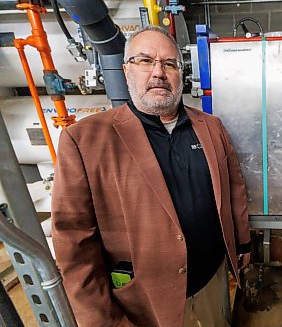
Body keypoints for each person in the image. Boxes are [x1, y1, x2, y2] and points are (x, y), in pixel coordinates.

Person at [51, 25, 251, 327]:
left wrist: (244, 245)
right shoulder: (85, 140)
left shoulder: (211, 126)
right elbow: (74, 245)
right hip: (146, 301)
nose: (158, 73)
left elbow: (235, 192)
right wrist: (101, 319)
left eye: (169, 63)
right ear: (125, 70)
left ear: (180, 73)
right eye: (145, 61)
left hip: (213, 279)